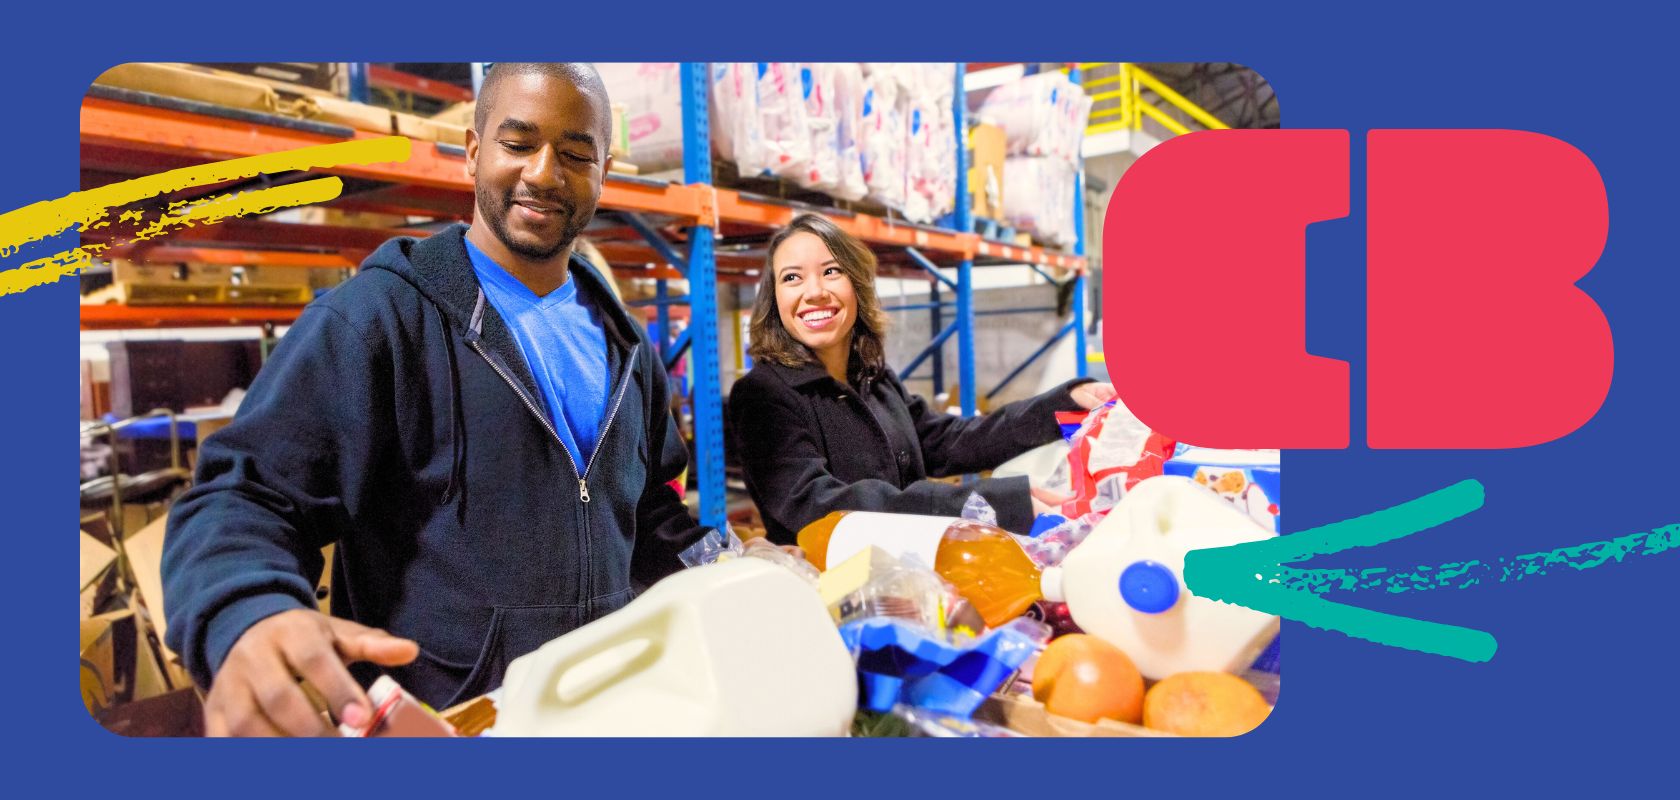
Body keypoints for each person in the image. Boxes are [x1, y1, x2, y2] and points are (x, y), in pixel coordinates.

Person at [162, 63, 706, 736]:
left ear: (603, 171)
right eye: (518, 143)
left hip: (605, 712)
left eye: (575, 154)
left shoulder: (624, 343)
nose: (544, 172)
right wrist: (247, 611)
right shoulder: (379, 320)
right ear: (474, 152)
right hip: (449, 726)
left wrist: (725, 564)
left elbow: (650, 510)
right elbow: (245, 495)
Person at [728, 213, 1116, 545]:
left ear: (857, 287)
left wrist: (1063, 406)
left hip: (908, 576)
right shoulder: (764, 396)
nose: (814, 292)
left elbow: (948, 442)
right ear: (774, 300)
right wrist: (986, 503)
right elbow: (817, 505)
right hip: (832, 596)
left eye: (831, 272)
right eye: (792, 278)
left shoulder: (873, 379)